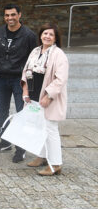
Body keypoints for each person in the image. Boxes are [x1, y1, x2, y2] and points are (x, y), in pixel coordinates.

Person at [0, 4, 37, 162]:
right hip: (1, 77)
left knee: (21, 113)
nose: (10, 18)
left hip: (20, 79)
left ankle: (21, 148)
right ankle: (5, 142)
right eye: (7, 15)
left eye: (13, 15)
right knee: (2, 111)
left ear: (19, 15)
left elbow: (34, 57)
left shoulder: (29, 35)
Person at [21, 23, 68, 176]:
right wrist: (25, 91)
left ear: (55, 38)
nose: (47, 36)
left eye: (51, 34)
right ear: (40, 35)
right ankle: (41, 156)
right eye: (45, 33)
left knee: (51, 130)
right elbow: (26, 71)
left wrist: (49, 96)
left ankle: (55, 164)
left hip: (49, 98)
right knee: (40, 128)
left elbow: (60, 79)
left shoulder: (59, 54)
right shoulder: (35, 51)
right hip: (34, 95)